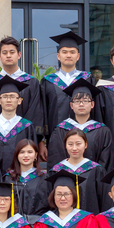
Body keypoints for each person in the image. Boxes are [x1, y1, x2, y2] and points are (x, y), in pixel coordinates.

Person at [40, 31, 91, 160]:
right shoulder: (48, 81)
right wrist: (41, 141)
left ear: (78, 56)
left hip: (84, 139)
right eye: (64, 52)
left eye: (72, 52)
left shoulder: (87, 79)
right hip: (55, 139)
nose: (68, 55)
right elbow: (42, 112)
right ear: (58, 56)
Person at [0, 36, 44, 136]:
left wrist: (28, 134)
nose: (8, 55)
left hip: (25, 138)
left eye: (12, 52)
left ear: (19, 55)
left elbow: (35, 112)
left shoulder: (32, 82)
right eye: (4, 53)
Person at [47, 78, 113, 170]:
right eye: (77, 101)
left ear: (92, 104)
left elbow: (106, 161)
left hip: (94, 177)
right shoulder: (60, 130)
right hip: (66, 178)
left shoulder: (103, 131)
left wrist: (94, 175)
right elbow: (56, 159)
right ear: (71, 105)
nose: (81, 104)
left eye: (85, 101)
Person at [0, 75, 37, 170]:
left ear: (19, 101)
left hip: (18, 176)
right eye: (5, 96)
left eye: (12, 96)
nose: (9, 100)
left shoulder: (26, 127)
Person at [48, 129, 105, 214]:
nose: (74, 148)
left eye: (78, 144)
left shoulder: (96, 170)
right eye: (70, 144)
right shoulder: (56, 170)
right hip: (62, 220)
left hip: (90, 220)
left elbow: (103, 200)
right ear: (65, 145)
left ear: (86, 145)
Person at [5, 139, 50, 216]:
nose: (26, 155)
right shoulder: (9, 178)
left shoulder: (44, 178)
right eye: (22, 152)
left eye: (30, 152)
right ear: (17, 155)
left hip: (37, 221)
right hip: (13, 221)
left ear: (36, 155)